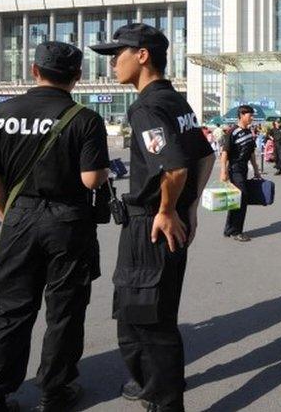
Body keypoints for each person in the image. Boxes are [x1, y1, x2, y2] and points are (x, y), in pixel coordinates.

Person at [0, 41, 110, 412]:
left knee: (12, 309)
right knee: (64, 310)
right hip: (67, 222)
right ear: (77, 78)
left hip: (18, 218)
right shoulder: (84, 118)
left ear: (34, 71)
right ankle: (55, 389)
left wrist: (8, 216)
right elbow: (91, 180)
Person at [90, 23, 215, 412]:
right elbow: (205, 155)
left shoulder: (146, 105)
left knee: (149, 319)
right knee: (141, 311)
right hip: (167, 217)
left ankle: (163, 400)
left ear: (141, 55)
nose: (112, 64)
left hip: (152, 223)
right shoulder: (176, 100)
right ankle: (149, 382)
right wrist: (188, 208)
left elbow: (175, 167)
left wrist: (166, 210)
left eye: (117, 54)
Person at [220, 105, 261, 242]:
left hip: (244, 169)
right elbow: (225, 153)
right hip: (234, 168)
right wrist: (223, 172)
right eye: (250, 115)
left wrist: (256, 170)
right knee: (242, 197)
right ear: (242, 115)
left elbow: (252, 154)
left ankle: (229, 229)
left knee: (236, 199)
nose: (252, 117)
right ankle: (236, 231)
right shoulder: (232, 132)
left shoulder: (249, 132)